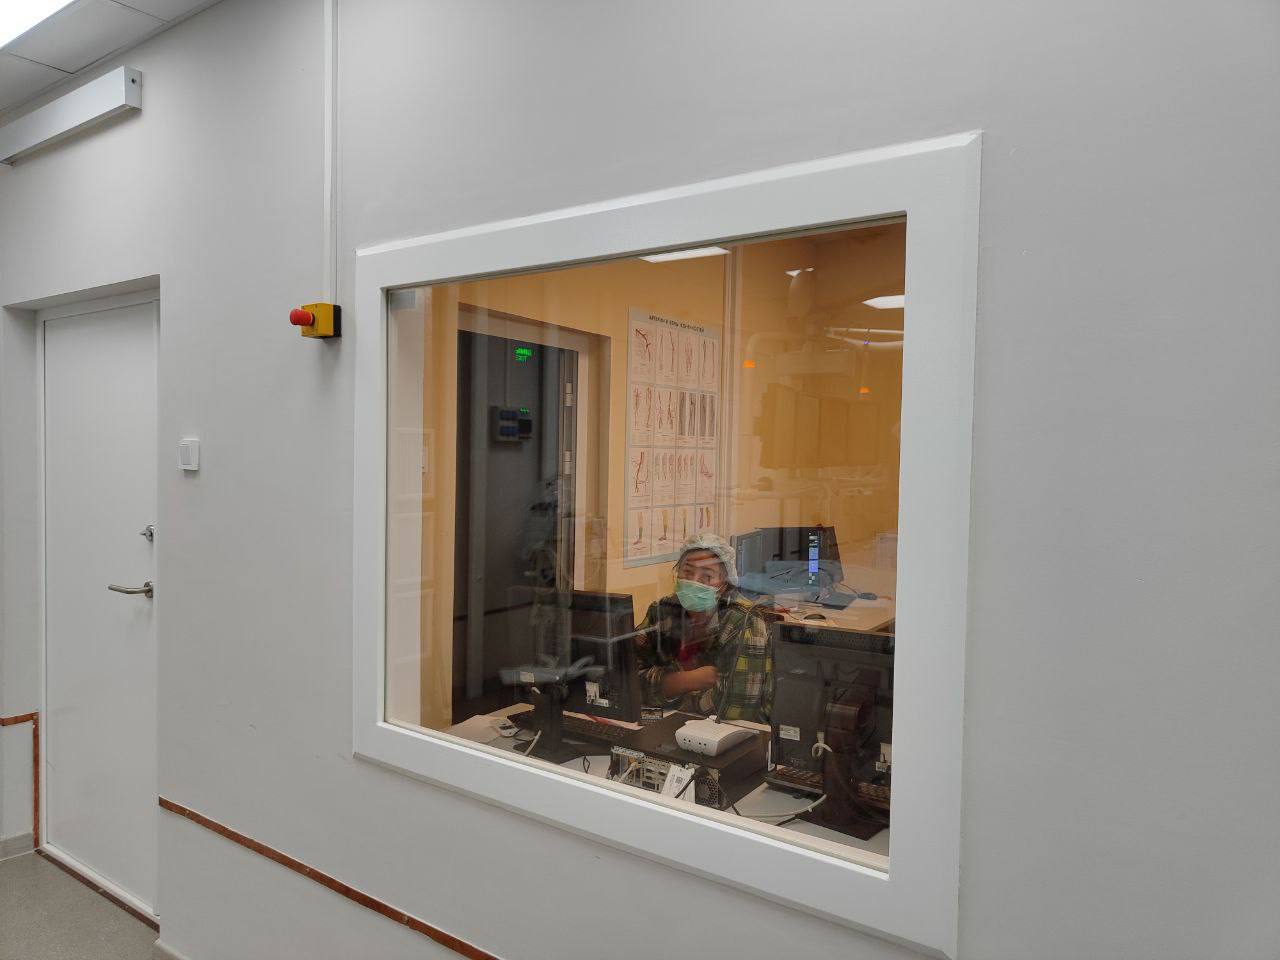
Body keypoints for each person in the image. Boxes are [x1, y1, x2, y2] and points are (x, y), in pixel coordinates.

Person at [635, 534, 772, 724]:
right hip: (667, 727)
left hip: (733, 735)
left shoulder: (745, 622)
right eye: (687, 572)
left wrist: (663, 688)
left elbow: (734, 708)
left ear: (723, 584)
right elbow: (625, 679)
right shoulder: (662, 611)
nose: (694, 581)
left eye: (707, 576)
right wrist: (687, 680)